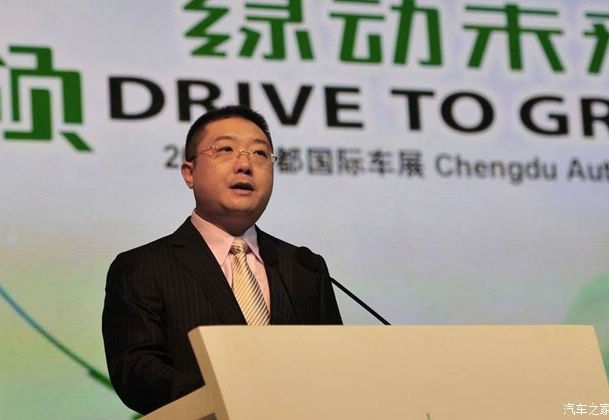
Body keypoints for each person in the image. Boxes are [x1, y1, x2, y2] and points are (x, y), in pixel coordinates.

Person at [102, 105, 342, 415]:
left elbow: (334, 365)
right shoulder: (142, 268)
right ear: (189, 173)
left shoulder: (304, 267)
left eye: (260, 154)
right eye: (225, 150)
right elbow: (136, 372)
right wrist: (233, 398)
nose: (245, 164)